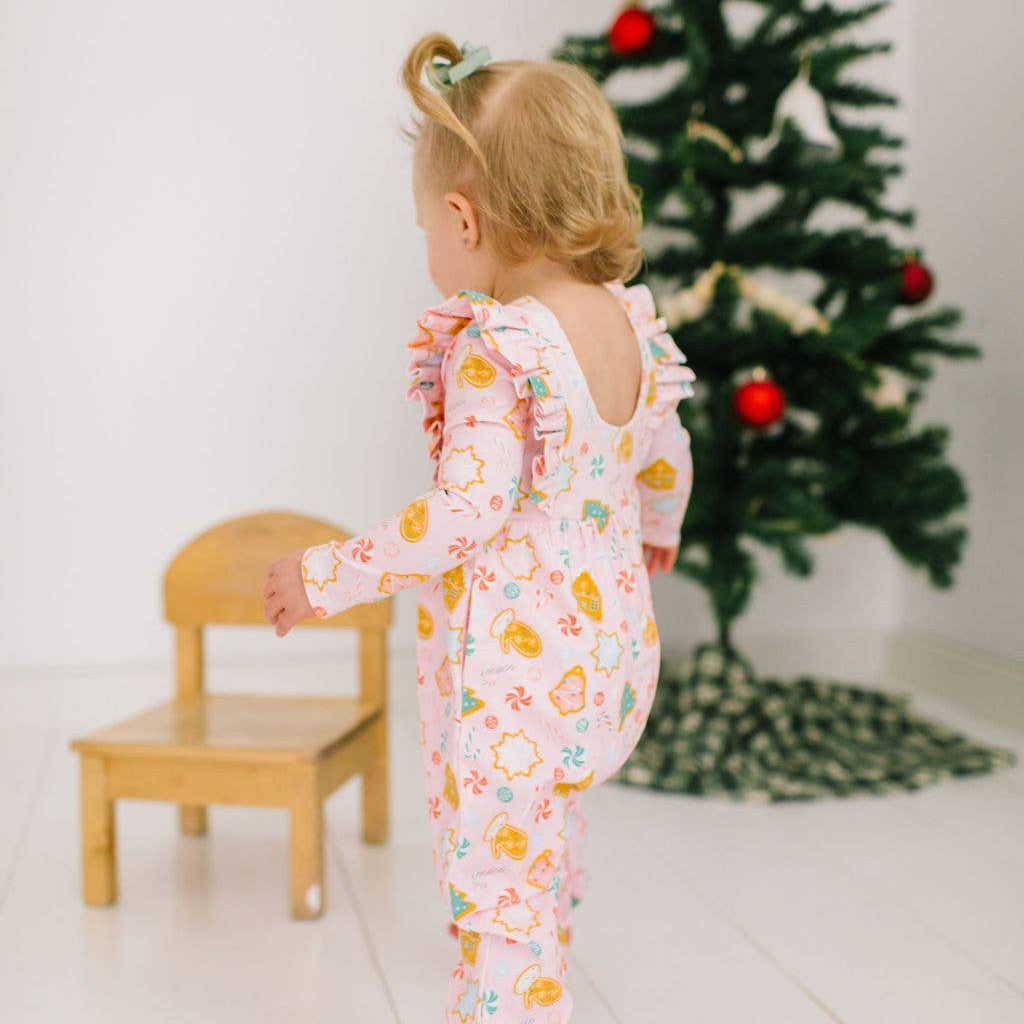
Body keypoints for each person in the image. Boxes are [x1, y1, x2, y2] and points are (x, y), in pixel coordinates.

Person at [262, 31, 696, 1024]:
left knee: (498, 860)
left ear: (461, 219)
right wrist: (659, 521)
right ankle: (543, 936)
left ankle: (514, 997)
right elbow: (665, 447)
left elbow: (464, 514)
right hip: (610, 653)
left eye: (425, 225)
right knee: (550, 811)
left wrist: (330, 572)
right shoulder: (630, 322)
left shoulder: (497, 348)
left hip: (515, 667)